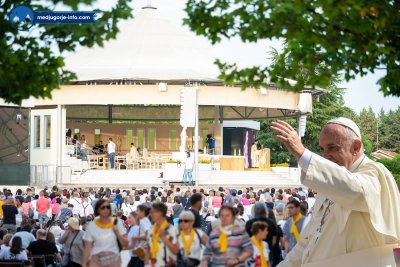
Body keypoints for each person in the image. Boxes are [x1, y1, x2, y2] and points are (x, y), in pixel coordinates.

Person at [271, 118, 400, 266]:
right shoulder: (329, 186)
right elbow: (307, 244)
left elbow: (355, 191)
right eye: (322, 149)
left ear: (356, 147)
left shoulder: (375, 173)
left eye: (332, 148)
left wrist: (303, 154)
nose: (325, 156)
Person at [82, 199, 128, 267]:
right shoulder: (92, 225)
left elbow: (126, 244)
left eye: (108, 207)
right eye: (103, 207)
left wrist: (117, 232)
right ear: (97, 210)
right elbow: (88, 247)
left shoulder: (117, 223)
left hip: (113, 260)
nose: (106, 209)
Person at [145, 202, 179, 267]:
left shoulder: (172, 230)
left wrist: (164, 238)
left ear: (160, 213)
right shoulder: (150, 230)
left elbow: (176, 250)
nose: (150, 214)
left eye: (152, 212)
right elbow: (148, 248)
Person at [245, 202, 278, 267]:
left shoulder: (249, 223)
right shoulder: (271, 223)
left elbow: (246, 239)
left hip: (252, 252)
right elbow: (274, 240)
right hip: (268, 250)